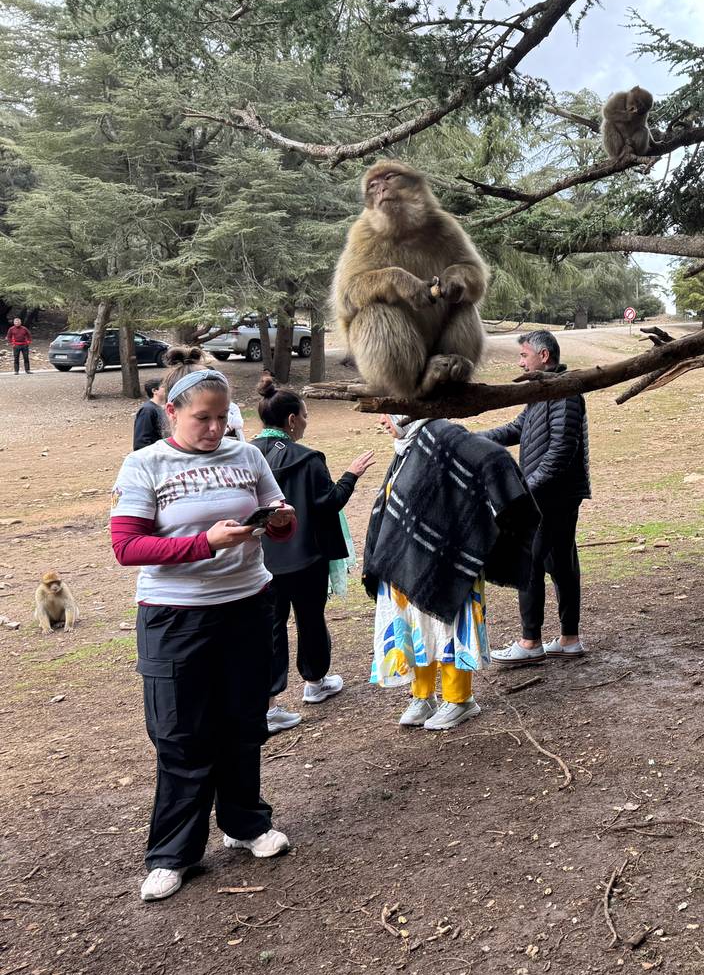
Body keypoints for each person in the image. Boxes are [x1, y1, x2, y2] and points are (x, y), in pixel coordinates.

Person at [109, 346, 296, 903]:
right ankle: (173, 853)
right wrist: (204, 543)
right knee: (180, 734)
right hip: (174, 617)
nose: (215, 429)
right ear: (171, 412)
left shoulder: (248, 456)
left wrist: (280, 522)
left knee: (244, 723)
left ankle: (246, 824)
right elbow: (127, 547)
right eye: (202, 418)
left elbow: (279, 520)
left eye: (222, 417)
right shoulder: (145, 465)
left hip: (247, 606)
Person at [366, 414, 538, 730]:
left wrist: (508, 500)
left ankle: (460, 700)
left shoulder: (443, 434)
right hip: (409, 554)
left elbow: (493, 457)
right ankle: (423, 696)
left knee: (448, 626)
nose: (381, 420)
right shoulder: (408, 445)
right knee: (415, 624)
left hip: (450, 555)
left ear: (405, 409)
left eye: (388, 410)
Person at [253, 373, 377, 732]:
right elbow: (329, 502)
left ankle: (268, 705)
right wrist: (351, 475)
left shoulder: (245, 455)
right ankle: (315, 682)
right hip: (306, 557)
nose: (307, 421)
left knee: (270, 628)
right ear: (292, 420)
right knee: (310, 620)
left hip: (261, 561)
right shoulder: (308, 459)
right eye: (305, 415)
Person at [480, 330, 591, 667]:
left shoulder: (566, 392)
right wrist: (472, 439)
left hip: (554, 496)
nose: (520, 362)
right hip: (550, 494)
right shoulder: (541, 392)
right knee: (560, 563)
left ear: (544, 356)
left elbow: (561, 450)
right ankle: (569, 640)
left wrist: (528, 489)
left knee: (530, 561)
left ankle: (530, 642)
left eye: (524, 355)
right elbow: (517, 428)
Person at [133, 378, 167, 451]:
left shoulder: (163, 408)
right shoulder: (147, 410)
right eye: (164, 387)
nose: (167, 389)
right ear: (154, 391)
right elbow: (141, 441)